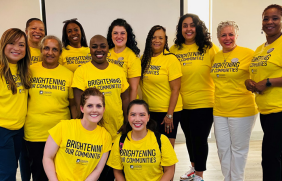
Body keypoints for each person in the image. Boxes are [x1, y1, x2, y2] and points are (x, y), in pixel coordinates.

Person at [72, 35, 130, 180]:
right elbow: (79, 103)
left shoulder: (118, 71)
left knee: (111, 175)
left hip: (115, 132)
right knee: (91, 174)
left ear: (108, 49)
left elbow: (126, 98)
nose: (99, 50)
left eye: (103, 46)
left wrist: (127, 122)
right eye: (94, 46)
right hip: (92, 135)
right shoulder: (81, 71)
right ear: (90, 49)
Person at [170, 13, 219, 181]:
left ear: (198, 28)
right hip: (182, 104)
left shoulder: (209, 48)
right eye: (185, 25)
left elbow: (220, 72)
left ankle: (199, 174)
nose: (188, 29)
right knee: (189, 139)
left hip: (204, 102)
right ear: (180, 29)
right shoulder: (174, 49)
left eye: (192, 25)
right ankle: (193, 167)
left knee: (199, 139)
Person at [210, 21, 258, 181]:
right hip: (219, 110)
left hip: (242, 109)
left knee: (239, 149)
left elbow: (261, 74)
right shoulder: (216, 56)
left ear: (237, 36)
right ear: (218, 37)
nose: (227, 38)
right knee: (223, 148)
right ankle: (228, 178)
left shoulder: (248, 54)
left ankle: (237, 179)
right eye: (223, 35)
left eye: (231, 34)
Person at [24, 35, 75, 181]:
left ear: (60, 53)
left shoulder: (68, 74)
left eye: (55, 49)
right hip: (35, 133)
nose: (50, 52)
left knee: (59, 175)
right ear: (41, 50)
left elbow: (72, 105)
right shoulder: (29, 71)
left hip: (60, 133)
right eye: (46, 48)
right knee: (39, 174)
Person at [245, 4, 282, 181]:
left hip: (280, 110)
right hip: (266, 111)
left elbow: (267, 79)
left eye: (275, 18)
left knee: (270, 159)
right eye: (266, 18)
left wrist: (268, 82)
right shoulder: (260, 49)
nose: (269, 22)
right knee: (273, 159)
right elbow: (255, 74)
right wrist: (249, 82)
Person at [43, 88, 112, 181]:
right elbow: (47, 158)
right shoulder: (63, 127)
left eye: (98, 106)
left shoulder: (105, 136)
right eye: (90, 106)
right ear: (82, 108)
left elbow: (98, 169)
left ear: (103, 109)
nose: (94, 110)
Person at [107, 99, 178, 181]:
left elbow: (169, 170)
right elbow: (117, 171)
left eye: (142, 115)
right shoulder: (120, 141)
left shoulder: (161, 140)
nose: (137, 119)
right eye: (133, 115)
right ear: (128, 117)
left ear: (148, 117)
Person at [0, 28, 31, 180]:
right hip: (2, 130)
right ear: (3, 44)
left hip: (18, 129)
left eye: (21, 44)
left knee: (11, 169)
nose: (16, 48)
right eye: (11, 43)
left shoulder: (22, 70)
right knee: (7, 173)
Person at [20, 17, 46, 181]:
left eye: (41, 29)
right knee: (25, 156)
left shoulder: (45, 51)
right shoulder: (22, 51)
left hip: (38, 108)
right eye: (34, 28)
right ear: (26, 31)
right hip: (22, 109)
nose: (37, 31)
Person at [107, 18, 141, 100]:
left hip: (125, 103)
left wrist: (130, 110)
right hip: (110, 102)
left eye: (122, 33)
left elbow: (134, 89)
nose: (119, 36)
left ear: (127, 35)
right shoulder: (106, 53)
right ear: (111, 35)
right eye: (115, 33)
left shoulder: (132, 57)